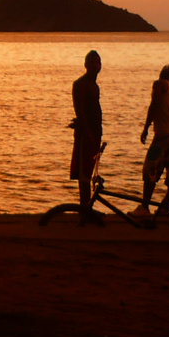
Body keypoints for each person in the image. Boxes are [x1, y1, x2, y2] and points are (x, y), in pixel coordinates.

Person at [136, 64, 169, 218]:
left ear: (162, 76)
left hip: (162, 137)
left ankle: (145, 207)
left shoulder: (160, 85)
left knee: (149, 170)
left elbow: (154, 104)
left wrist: (146, 127)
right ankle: (166, 207)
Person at [69, 51, 104, 222]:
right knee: (83, 174)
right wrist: (87, 132)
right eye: (93, 63)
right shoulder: (80, 84)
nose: (96, 66)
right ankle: (84, 209)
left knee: (90, 173)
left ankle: (88, 207)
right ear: (86, 65)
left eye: (98, 63)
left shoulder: (95, 86)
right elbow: (80, 110)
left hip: (95, 134)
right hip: (86, 135)